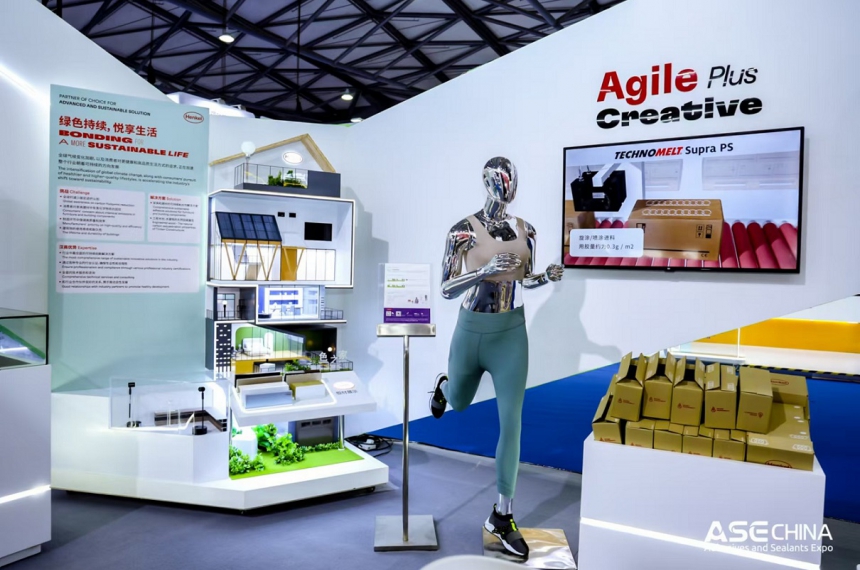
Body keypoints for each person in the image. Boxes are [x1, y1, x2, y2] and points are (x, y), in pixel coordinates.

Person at [430, 157, 564, 558]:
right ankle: (445, 387)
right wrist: (483, 269)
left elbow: (525, 279)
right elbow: (446, 288)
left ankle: (502, 516)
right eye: (500, 180)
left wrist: (546, 277)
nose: (508, 187)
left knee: (512, 422)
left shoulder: (527, 230)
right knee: (459, 403)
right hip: (471, 329)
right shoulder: (462, 231)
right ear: (487, 183)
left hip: (510, 333)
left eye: (512, 180)